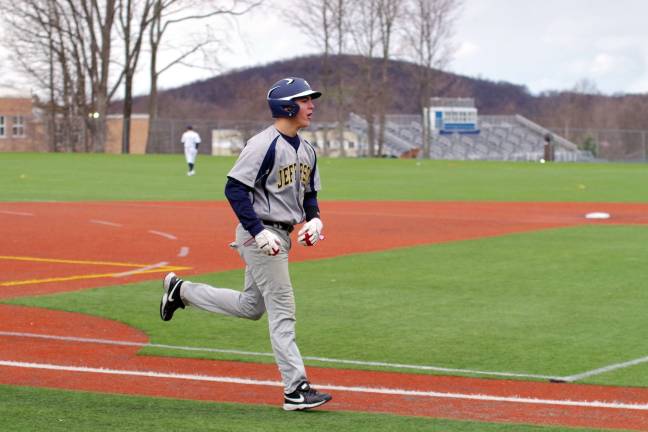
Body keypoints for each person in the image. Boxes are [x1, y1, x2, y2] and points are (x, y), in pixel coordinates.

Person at [160, 77, 331, 411]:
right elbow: (234, 189)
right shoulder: (262, 145)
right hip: (260, 235)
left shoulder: (307, 149)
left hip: (278, 234)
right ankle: (295, 388)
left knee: (251, 307)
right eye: (305, 100)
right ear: (286, 106)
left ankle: (181, 291)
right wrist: (257, 230)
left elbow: (309, 192)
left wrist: (315, 218)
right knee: (283, 309)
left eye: (311, 100)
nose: (312, 106)